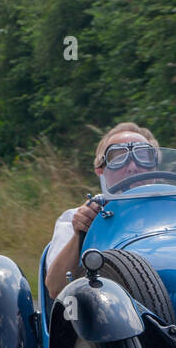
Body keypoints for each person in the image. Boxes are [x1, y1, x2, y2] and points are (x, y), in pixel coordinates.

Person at [44, 122, 160, 298]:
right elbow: (55, 288)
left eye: (143, 156)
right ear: (100, 170)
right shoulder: (77, 218)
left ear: (155, 168)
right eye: (118, 158)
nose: (133, 167)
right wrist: (79, 234)